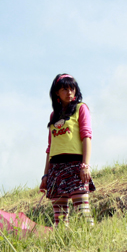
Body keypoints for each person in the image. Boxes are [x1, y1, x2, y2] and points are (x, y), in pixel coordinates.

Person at [39, 73, 95, 226]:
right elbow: (50, 148)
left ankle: (91, 243)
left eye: (72, 89)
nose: (69, 92)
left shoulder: (81, 108)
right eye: (64, 89)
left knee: (83, 211)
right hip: (56, 168)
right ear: (57, 92)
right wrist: (46, 175)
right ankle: (64, 247)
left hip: (76, 165)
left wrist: (85, 165)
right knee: (60, 218)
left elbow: (86, 136)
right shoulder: (53, 115)